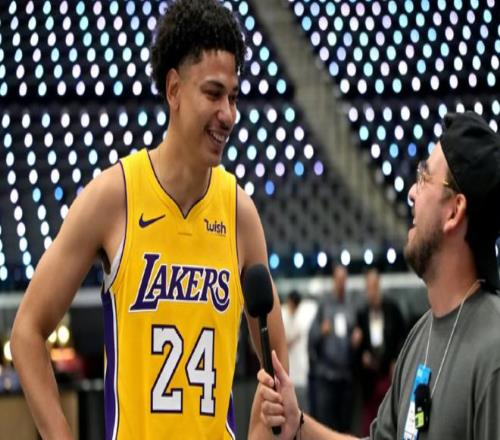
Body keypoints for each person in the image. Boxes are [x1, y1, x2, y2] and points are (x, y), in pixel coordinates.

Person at [10, 1, 288, 439]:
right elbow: (27, 331)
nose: (228, 114)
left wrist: (261, 430)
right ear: (174, 89)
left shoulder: (239, 212)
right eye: (213, 94)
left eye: (233, 97)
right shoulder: (114, 196)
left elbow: (276, 355)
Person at [256, 111, 500, 440]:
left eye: (425, 177)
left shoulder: (493, 352)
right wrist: (297, 423)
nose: (412, 192)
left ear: (454, 211)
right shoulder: (420, 335)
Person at [308, 265, 361, 432]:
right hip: (327, 376)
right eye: (338, 279)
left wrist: (356, 337)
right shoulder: (324, 305)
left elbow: (356, 331)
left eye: (344, 280)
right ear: (333, 280)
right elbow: (311, 338)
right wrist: (321, 331)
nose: (341, 283)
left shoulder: (351, 305)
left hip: (346, 376)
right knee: (326, 427)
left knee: (345, 427)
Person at [356, 268, 405, 435]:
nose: (372, 291)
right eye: (369, 287)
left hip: (389, 376)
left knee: (391, 422)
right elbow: (357, 350)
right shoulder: (361, 314)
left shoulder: (393, 310)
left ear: (379, 286)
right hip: (369, 380)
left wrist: (396, 359)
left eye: (374, 286)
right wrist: (360, 352)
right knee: (369, 425)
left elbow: (403, 337)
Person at [282, 290, 311, 412]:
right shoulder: (281, 315)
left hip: (300, 374)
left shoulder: (301, 317)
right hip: (286, 374)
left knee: (302, 411)